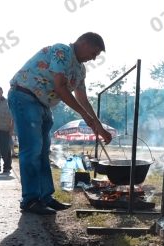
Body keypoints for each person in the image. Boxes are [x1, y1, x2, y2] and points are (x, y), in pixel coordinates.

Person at [8, 32, 112, 215]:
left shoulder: (80, 70)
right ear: (84, 42)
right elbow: (60, 87)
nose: (93, 58)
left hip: (43, 103)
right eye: (94, 53)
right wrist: (84, 116)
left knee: (42, 152)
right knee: (32, 150)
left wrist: (99, 126)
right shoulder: (62, 51)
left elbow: (83, 99)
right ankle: (31, 199)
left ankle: (45, 197)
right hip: (24, 96)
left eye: (97, 56)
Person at [0, 86, 14, 176]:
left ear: (2, 93)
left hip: (4, 130)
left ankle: (7, 168)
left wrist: (12, 129)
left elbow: (13, 118)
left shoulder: (8, 103)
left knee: (5, 150)